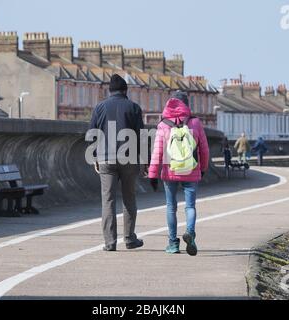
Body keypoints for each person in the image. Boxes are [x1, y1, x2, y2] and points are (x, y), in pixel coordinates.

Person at [147, 91, 209, 256]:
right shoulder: (195, 123)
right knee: (190, 206)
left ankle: (173, 243)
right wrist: (203, 168)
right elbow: (204, 149)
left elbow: (157, 152)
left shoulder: (163, 124)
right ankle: (190, 233)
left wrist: (152, 175)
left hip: (170, 170)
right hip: (191, 169)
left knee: (171, 207)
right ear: (186, 105)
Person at [89, 74, 144, 252]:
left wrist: (95, 156)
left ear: (109, 91)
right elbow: (142, 137)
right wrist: (143, 161)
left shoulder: (100, 107)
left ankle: (110, 242)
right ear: (125, 90)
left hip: (106, 158)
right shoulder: (134, 108)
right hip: (129, 158)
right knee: (129, 199)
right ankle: (129, 239)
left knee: (108, 200)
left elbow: (92, 134)